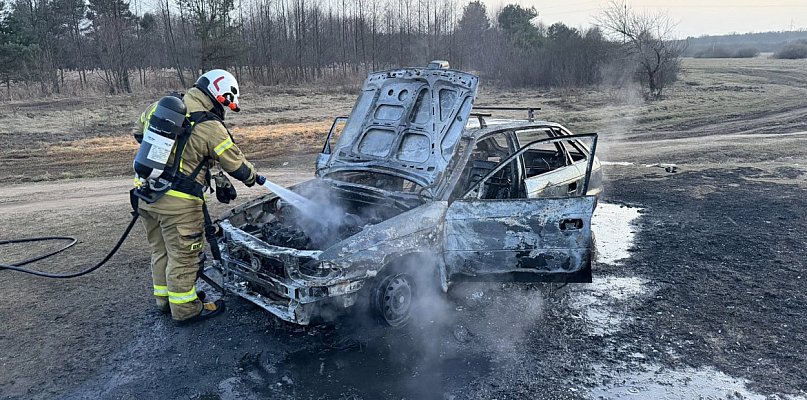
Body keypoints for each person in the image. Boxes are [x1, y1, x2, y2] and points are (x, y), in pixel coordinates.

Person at [133, 69, 261, 324]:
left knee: (160, 250)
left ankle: (164, 300)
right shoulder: (209, 125)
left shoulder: (163, 106)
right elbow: (236, 165)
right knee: (184, 255)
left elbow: (138, 131)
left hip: (145, 194)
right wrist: (253, 177)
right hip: (178, 204)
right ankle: (185, 309)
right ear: (218, 95)